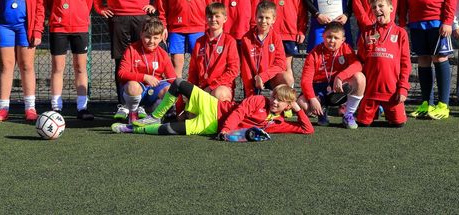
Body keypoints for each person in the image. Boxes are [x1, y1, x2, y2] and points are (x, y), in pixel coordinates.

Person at [93, 0, 160, 120]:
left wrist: (154, 5)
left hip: (141, 17)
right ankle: (123, 104)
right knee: (121, 61)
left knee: (142, 59)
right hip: (118, 18)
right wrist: (100, 8)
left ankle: (140, 103)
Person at [398, 0, 458, 120]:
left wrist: (448, 21)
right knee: (423, 59)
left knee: (440, 58)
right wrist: (402, 21)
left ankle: (443, 105)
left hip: (438, 22)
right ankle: (427, 103)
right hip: (416, 21)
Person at [112, 79, 313, 137]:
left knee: (169, 130)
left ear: (287, 105)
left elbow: (307, 129)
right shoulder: (259, 100)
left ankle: (131, 129)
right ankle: (156, 115)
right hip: (213, 106)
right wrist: (226, 130)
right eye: (274, 97)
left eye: (280, 101)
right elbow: (238, 113)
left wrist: (297, 109)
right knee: (179, 83)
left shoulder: (278, 122)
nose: (274, 101)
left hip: (210, 126)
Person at [45, 0, 94, 120]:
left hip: (79, 28)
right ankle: (56, 107)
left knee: (80, 67)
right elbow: (49, 1)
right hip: (58, 27)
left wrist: (80, 16)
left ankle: (82, 107)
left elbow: (88, 2)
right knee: (58, 67)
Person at [298, 21, 366, 129]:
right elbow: (305, 81)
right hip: (318, 88)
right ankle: (322, 111)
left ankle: (348, 114)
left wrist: (340, 76)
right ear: (323, 36)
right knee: (302, 103)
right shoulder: (314, 54)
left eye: (336, 38)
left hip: (338, 87)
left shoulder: (346, 49)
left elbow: (357, 65)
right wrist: (312, 99)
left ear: (343, 40)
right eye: (329, 37)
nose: (332, 41)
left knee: (360, 78)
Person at [356, 0, 410, 127]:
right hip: (370, 91)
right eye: (374, 7)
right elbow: (360, 59)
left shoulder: (400, 33)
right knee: (363, 123)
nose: (377, 9)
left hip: (392, 92)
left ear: (391, 8)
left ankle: (385, 110)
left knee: (398, 124)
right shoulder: (367, 32)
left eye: (381, 6)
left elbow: (405, 63)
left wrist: (403, 88)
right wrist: (366, 47)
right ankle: (373, 111)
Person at [117, 16, 177, 123]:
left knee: (170, 89)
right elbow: (121, 73)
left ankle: (157, 114)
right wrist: (144, 77)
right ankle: (133, 114)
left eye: (155, 38)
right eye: (147, 37)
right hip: (137, 90)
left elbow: (172, 78)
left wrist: (183, 91)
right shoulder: (132, 49)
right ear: (141, 34)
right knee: (132, 86)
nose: (151, 41)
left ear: (161, 38)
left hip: (154, 91)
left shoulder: (163, 54)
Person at [188, 2, 239, 102]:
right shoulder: (199, 42)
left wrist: (212, 86)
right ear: (206, 19)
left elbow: (233, 70)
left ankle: (223, 110)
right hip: (202, 88)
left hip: (221, 86)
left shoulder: (229, 41)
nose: (213, 19)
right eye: (210, 16)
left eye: (217, 16)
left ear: (225, 19)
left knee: (220, 94)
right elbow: (193, 70)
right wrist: (191, 90)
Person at [240, 0, 288, 97]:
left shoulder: (276, 38)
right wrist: (250, 91)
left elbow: (281, 64)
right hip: (252, 79)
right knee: (252, 103)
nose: (263, 21)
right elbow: (245, 68)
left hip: (271, 77)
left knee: (287, 78)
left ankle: (281, 103)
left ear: (273, 19)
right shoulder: (246, 39)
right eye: (260, 17)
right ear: (255, 17)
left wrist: (263, 76)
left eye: (267, 18)